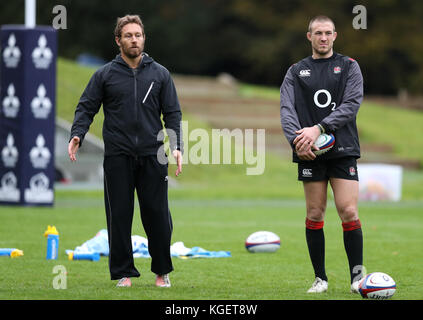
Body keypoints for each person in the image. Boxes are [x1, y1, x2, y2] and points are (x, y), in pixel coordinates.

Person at [68, 14, 183, 288]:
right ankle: (123, 273)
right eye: (129, 35)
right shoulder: (105, 74)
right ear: (118, 40)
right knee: (119, 216)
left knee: (157, 216)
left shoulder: (160, 74)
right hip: (118, 156)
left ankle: (161, 271)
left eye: (139, 35)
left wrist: (176, 147)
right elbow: (86, 107)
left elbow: (173, 113)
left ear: (144, 38)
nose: (135, 39)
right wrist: (77, 134)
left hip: (153, 155)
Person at [280, 15, 364, 294]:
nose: (323, 38)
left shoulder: (349, 66)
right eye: (318, 33)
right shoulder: (295, 71)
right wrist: (297, 142)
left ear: (335, 36)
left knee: (349, 211)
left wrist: (319, 128)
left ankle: (356, 278)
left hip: (343, 150)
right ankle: (320, 279)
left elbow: (351, 104)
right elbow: (287, 109)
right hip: (310, 153)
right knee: (315, 214)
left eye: (328, 33)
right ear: (309, 37)